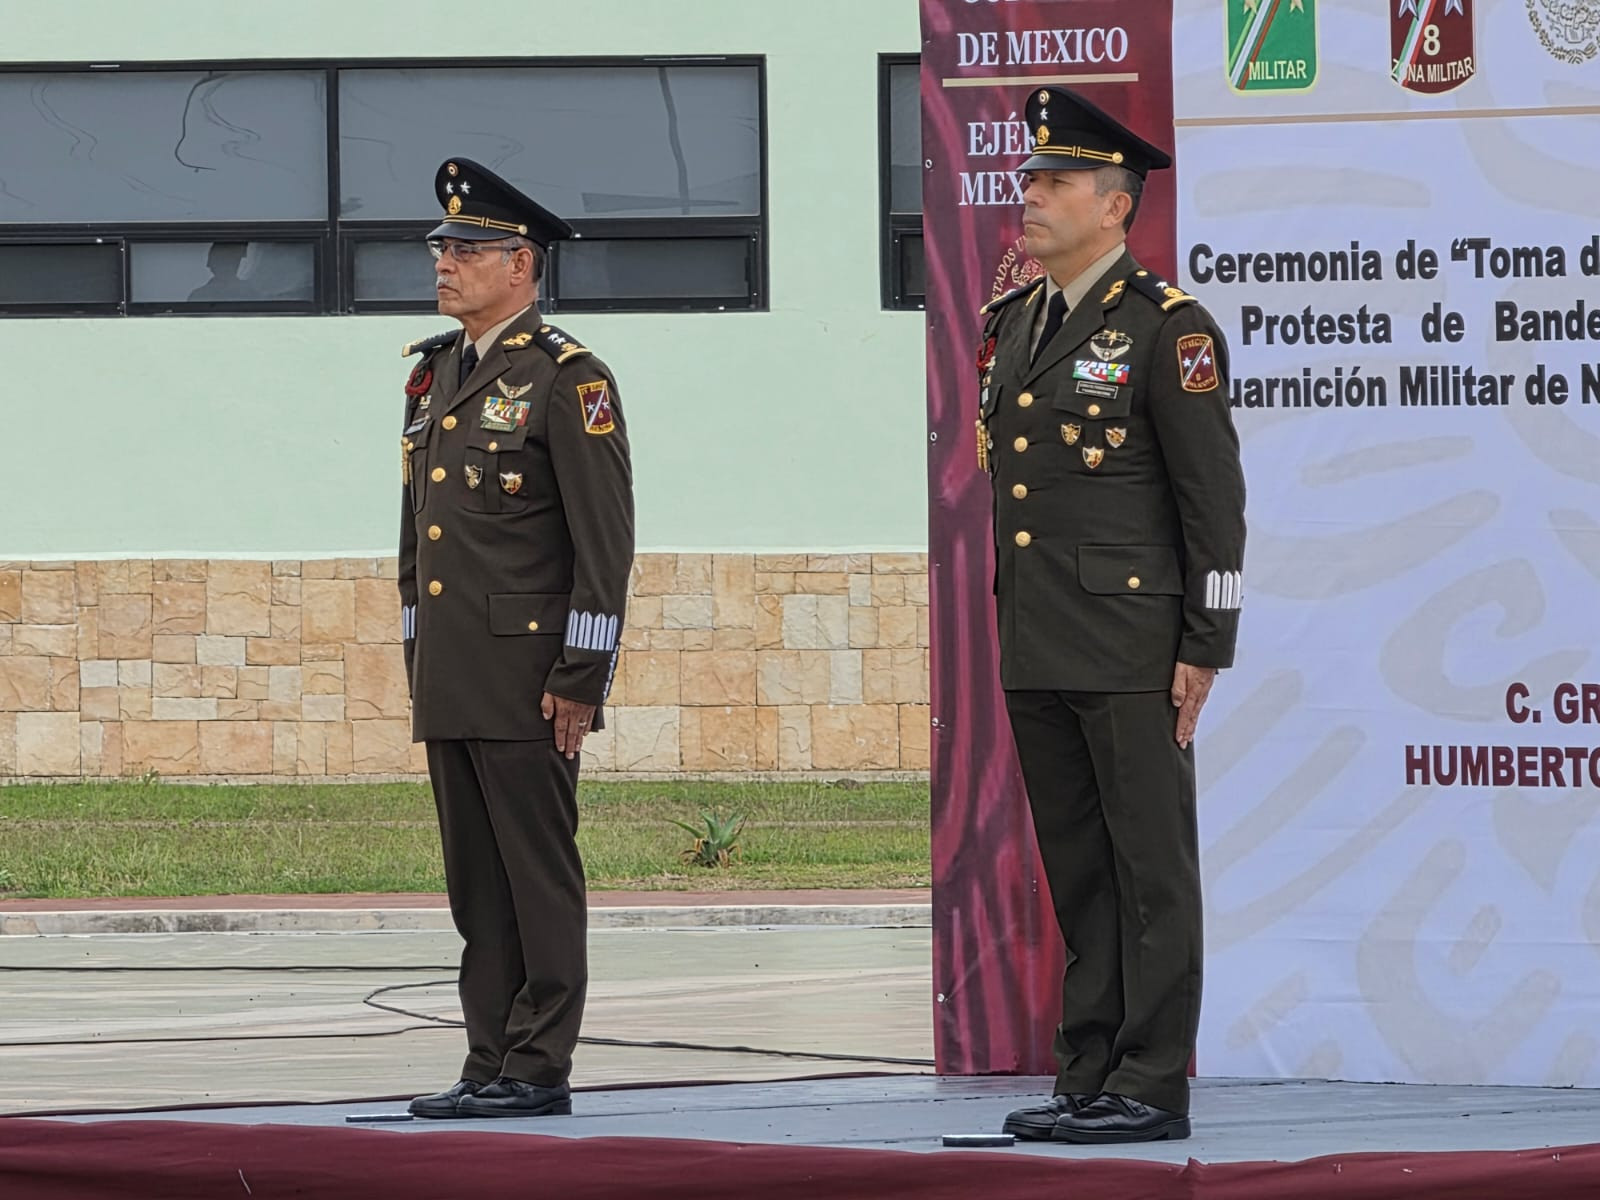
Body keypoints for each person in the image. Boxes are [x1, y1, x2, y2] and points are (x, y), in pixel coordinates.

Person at [975, 87, 1246, 1144]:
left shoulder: (1165, 328)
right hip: (1038, 640)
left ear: (1115, 205)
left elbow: (1210, 504)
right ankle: (1086, 1071)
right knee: (1081, 874)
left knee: (1149, 874)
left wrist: (1205, 643)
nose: (1029, 195)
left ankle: (1148, 1082)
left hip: (1134, 645)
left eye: (1054, 182)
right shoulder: (1018, 321)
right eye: (1029, 178)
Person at [397, 158, 634, 1119]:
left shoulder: (567, 377)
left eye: (466, 249)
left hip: (531, 674)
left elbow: (602, 539)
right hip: (455, 669)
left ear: (520, 265)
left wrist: (582, 674)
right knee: (475, 887)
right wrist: (420, 656)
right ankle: (488, 1056)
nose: (444, 263)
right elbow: (419, 540)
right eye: (441, 249)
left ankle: (540, 1063)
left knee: (535, 877)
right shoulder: (434, 372)